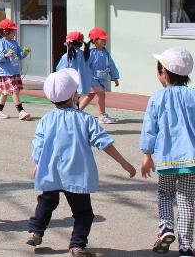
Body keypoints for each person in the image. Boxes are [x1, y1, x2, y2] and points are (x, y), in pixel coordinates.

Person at [28, 68, 135, 256]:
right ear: (74, 96)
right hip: (76, 175)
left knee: (46, 201)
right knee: (83, 213)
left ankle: (36, 231)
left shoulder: (46, 120)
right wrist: (123, 162)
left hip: (51, 172)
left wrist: (37, 164)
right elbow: (104, 142)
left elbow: (39, 144)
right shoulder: (85, 120)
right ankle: (77, 246)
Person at [140, 47, 195, 256]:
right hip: (191, 160)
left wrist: (147, 155)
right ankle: (186, 246)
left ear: (163, 72)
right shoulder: (193, 96)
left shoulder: (157, 98)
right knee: (187, 200)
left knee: (165, 194)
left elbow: (149, 128)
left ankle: (165, 227)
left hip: (165, 159)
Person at [79, 27, 120, 124]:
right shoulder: (91, 52)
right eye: (102, 39)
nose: (105, 41)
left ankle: (77, 111)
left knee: (90, 96)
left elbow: (111, 65)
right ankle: (102, 115)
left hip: (101, 79)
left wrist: (115, 77)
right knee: (101, 95)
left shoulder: (105, 53)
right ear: (95, 41)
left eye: (105, 39)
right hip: (93, 79)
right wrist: (88, 78)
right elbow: (85, 67)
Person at [0, 19, 31, 120]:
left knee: (5, 92)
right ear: (6, 31)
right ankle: (21, 111)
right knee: (15, 90)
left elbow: (19, 56)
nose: (15, 32)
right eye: (13, 31)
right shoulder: (0, 43)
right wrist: (6, 55)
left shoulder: (14, 42)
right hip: (5, 73)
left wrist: (25, 53)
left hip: (14, 71)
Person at [55, 32, 92, 106]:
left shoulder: (67, 56)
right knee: (75, 103)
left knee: (69, 104)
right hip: (82, 86)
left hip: (70, 86)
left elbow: (59, 70)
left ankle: (72, 115)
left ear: (69, 43)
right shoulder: (86, 55)